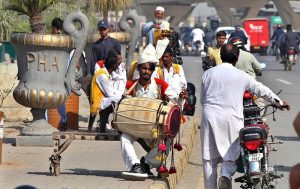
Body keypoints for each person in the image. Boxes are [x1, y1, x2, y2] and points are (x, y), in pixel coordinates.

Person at [200, 44, 290, 189]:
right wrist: (278, 102)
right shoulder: (241, 75)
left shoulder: (208, 74)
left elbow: (203, 100)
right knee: (230, 155)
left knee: (209, 158)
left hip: (210, 116)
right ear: (236, 59)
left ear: (221, 57)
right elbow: (261, 89)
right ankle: (225, 175)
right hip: (232, 117)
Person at [121, 44, 183, 179]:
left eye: (150, 69)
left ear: (153, 71)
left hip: (155, 130)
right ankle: (135, 165)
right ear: (139, 69)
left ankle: (145, 164)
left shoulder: (161, 85)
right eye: (144, 68)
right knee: (124, 137)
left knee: (165, 143)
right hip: (135, 128)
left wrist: (179, 98)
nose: (146, 71)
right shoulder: (129, 86)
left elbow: (172, 104)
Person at [88, 50, 122, 133]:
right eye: (116, 65)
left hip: (102, 100)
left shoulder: (105, 73)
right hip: (99, 102)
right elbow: (109, 93)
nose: (117, 66)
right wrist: (121, 95)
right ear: (113, 65)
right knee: (120, 99)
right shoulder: (102, 76)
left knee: (120, 97)